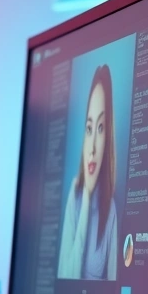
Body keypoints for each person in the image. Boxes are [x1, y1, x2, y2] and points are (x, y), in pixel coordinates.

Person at [58, 64, 120, 281]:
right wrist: (86, 198)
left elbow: (116, 292)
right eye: (89, 128)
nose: (92, 146)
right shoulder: (74, 196)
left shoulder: (110, 209)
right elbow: (67, 277)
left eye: (101, 129)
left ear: (108, 139)